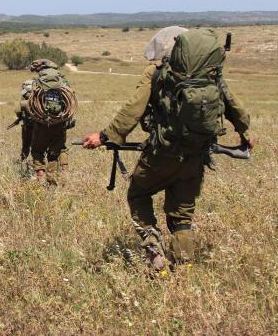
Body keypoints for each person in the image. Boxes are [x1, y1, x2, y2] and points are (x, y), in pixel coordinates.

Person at [81, 27, 254, 270]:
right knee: (182, 215)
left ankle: (154, 251)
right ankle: (184, 267)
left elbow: (133, 109)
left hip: (161, 153)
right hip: (196, 155)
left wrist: (105, 136)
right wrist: (245, 133)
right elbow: (235, 107)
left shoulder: (157, 73)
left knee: (138, 194)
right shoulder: (211, 75)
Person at [27, 59, 77, 185]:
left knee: (37, 150)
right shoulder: (64, 82)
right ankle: (51, 181)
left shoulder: (36, 83)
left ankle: (40, 175)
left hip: (41, 124)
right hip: (60, 124)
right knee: (55, 152)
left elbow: (29, 101)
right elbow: (69, 100)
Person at [14, 79, 35, 161]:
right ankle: (38, 161)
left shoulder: (23, 98)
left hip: (27, 126)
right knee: (38, 146)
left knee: (26, 145)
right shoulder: (39, 97)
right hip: (39, 126)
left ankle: (23, 159)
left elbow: (17, 111)